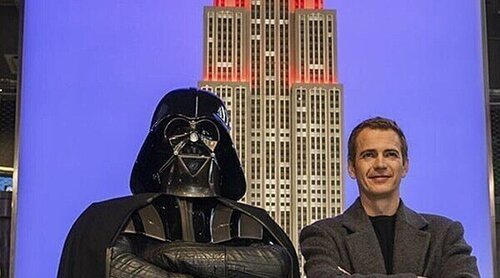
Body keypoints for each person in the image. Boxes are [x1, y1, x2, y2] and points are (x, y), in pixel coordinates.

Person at [58, 88, 299, 278]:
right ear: (158, 144)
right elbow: (109, 262)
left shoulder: (251, 223)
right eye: (179, 129)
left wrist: (166, 255)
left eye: (207, 131)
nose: (193, 139)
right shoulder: (112, 220)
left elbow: (279, 263)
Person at [299, 117, 479, 277]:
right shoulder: (323, 236)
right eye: (368, 155)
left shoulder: (445, 234)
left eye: (390, 154)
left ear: (405, 166)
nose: (380, 164)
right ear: (352, 168)